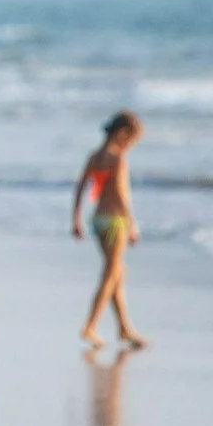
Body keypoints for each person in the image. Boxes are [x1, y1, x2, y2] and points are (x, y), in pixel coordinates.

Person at [72, 112, 148, 349]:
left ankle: (125, 328)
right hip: (116, 221)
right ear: (123, 135)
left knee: (117, 273)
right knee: (111, 274)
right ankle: (91, 325)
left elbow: (82, 187)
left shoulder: (95, 156)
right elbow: (122, 195)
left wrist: (76, 217)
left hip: (98, 219)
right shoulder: (118, 160)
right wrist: (132, 223)